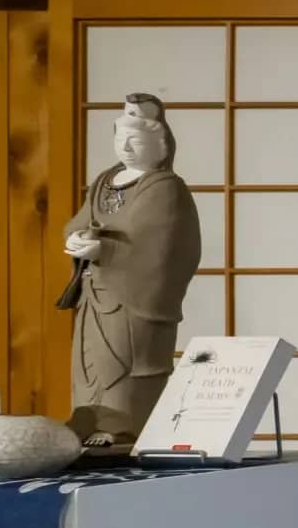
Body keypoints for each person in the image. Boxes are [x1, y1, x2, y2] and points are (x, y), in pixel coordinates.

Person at [61, 95, 201, 444]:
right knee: (90, 363)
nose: (125, 147)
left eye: (136, 141)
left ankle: (123, 427)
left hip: (135, 298)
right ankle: (89, 418)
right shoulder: (105, 180)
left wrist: (105, 249)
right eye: (119, 138)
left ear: (161, 145)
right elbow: (79, 221)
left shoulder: (164, 187)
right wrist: (77, 238)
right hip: (95, 293)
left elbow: (159, 244)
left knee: (128, 360)